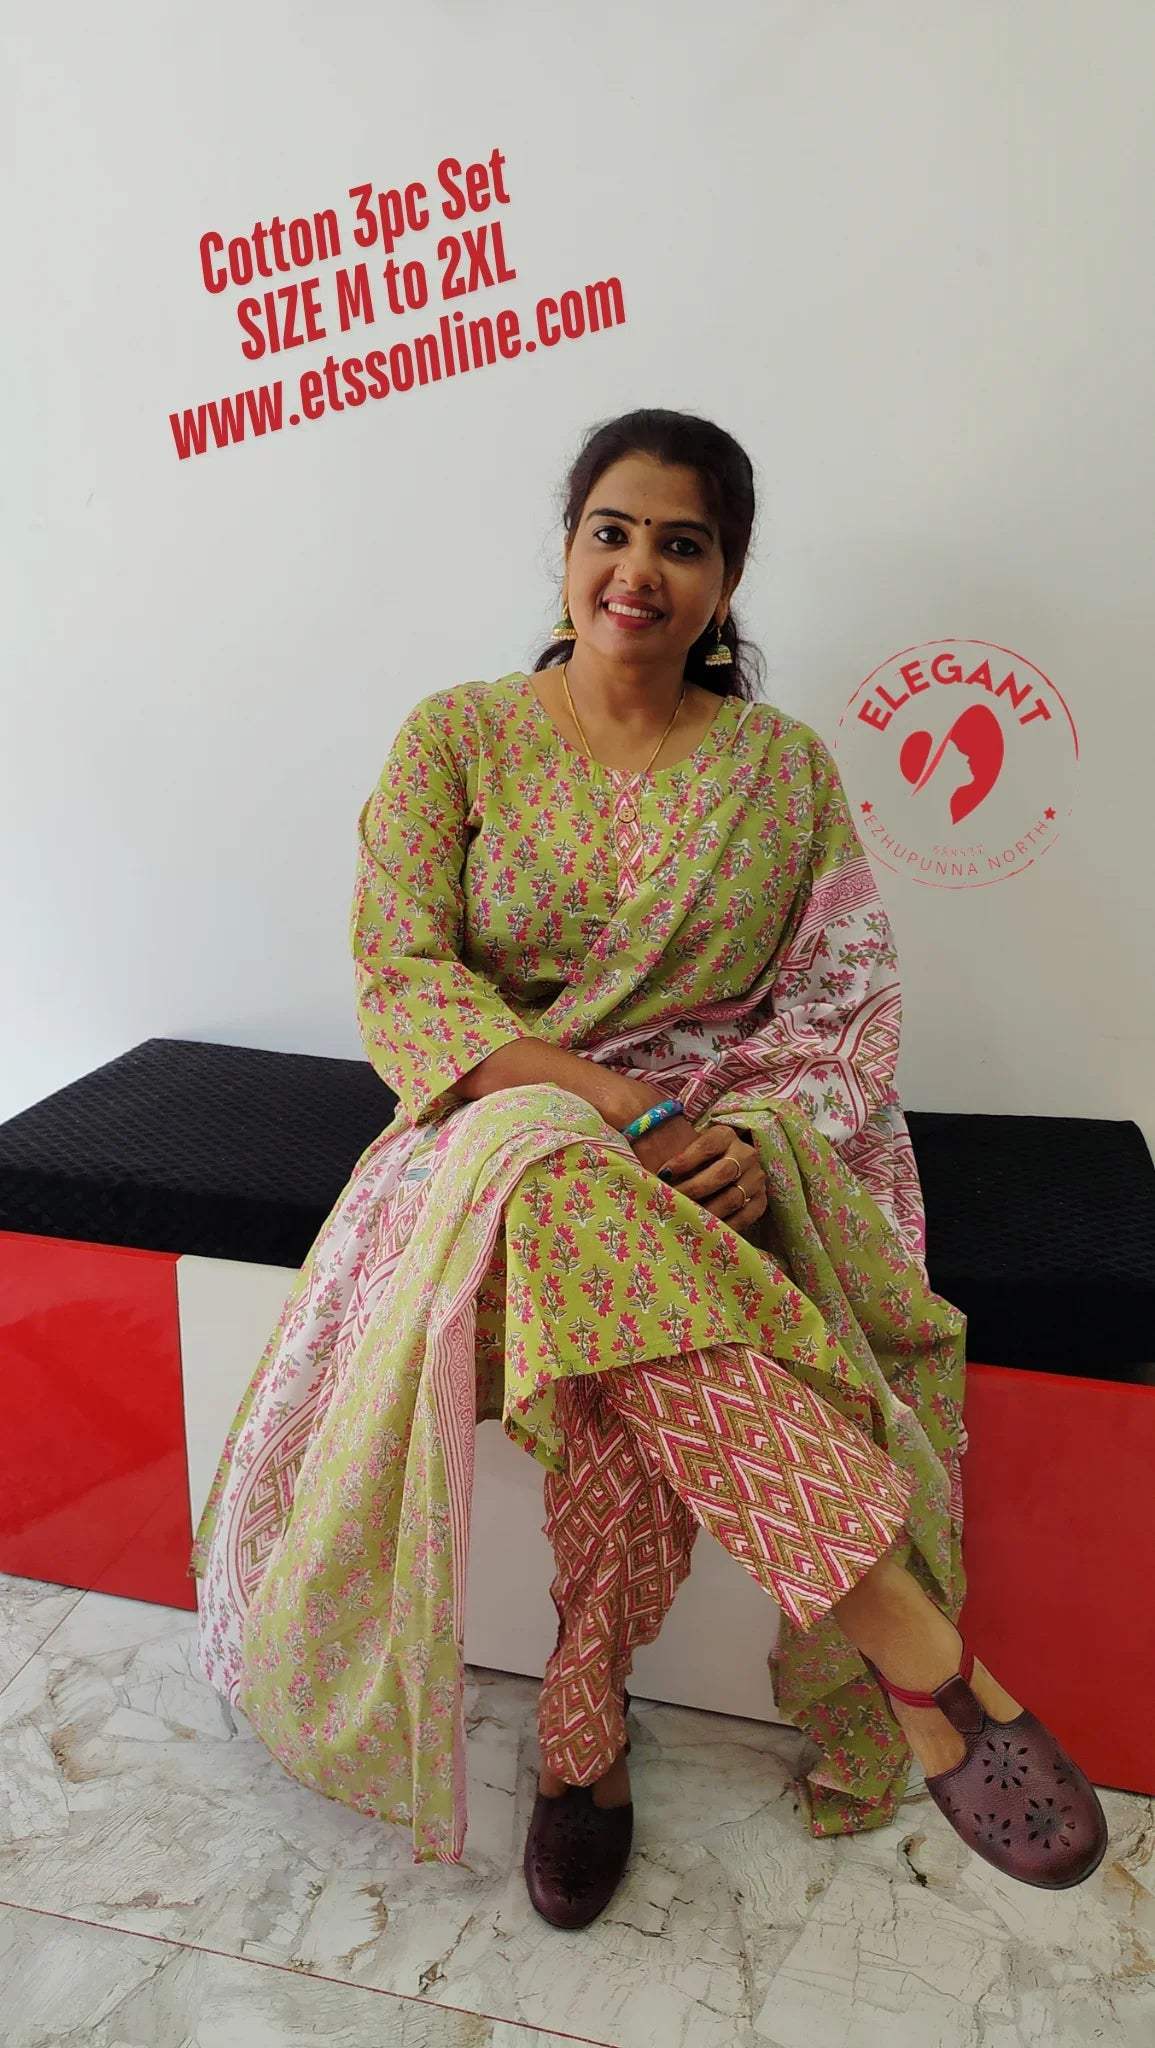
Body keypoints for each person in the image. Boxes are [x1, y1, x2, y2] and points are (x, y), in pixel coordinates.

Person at [189, 407, 1107, 1931]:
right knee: (559, 1185)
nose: (640, 569)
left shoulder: (781, 769)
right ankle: (901, 1629)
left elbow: (844, 1000)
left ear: (727, 581)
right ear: (564, 549)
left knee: (617, 1318)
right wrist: (608, 1102)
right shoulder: (456, 737)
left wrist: (759, 1140)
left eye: (683, 543)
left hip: (713, 1144)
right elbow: (407, 983)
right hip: (497, 1125)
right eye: (612, 530)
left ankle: (582, 1737)